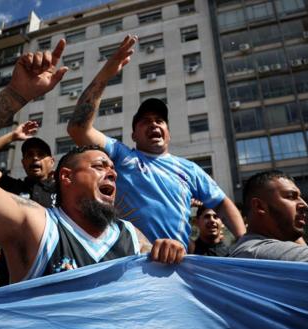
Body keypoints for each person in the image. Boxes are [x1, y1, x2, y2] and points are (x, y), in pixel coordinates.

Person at [0, 40, 185, 304]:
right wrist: (16, 94)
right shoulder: (35, 224)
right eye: (99, 166)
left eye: (113, 168)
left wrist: (170, 252)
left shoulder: (131, 235)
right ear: (66, 177)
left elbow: (166, 290)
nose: (113, 173)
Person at [67, 35, 246, 248]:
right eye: (145, 121)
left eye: (159, 121)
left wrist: (245, 243)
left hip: (177, 266)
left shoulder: (190, 169)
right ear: (133, 135)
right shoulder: (121, 156)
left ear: (168, 132)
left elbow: (222, 204)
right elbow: (78, 128)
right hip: (131, 262)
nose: (153, 125)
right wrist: (106, 74)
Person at [0, 125, 57, 286]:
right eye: (29, 155)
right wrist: (12, 136)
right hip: (12, 272)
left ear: (51, 162)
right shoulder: (13, 187)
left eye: (41, 155)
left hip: (50, 270)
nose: (35, 158)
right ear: (23, 162)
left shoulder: (63, 189)